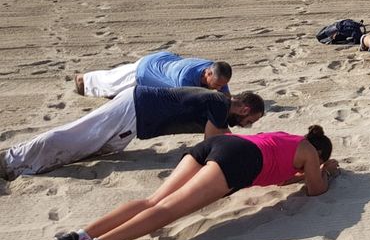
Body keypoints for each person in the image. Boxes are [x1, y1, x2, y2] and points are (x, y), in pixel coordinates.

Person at [50, 125, 339, 240]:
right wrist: (328, 169)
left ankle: (77, 237)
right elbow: (316, 190)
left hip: (222, 145)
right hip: (238, 161)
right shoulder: (310, 153)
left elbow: (282, 175)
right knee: (168, 211)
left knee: (154, 200)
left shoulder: (289, 139)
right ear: (320, 152)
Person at [0, 87, 265, 180]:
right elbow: (214, 141)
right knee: (74, 138)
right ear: (243, 107)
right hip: (135, 109)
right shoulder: (220, 103)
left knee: (90, 147)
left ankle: (22, 164)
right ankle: (11, 159)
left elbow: (222, 134)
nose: (248, 125)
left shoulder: (217, 104)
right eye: (249, 120)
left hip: (136, 113)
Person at [75, 51, 232, 98]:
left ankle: (87, 78)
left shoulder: (214, 68)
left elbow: (224, 94)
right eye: (217, 84)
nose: (220, 87)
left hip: (162, 60)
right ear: (208, 73)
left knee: (115, 78)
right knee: (110, 84)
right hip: (146, 70)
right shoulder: (185, 79)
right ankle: (83, 79)